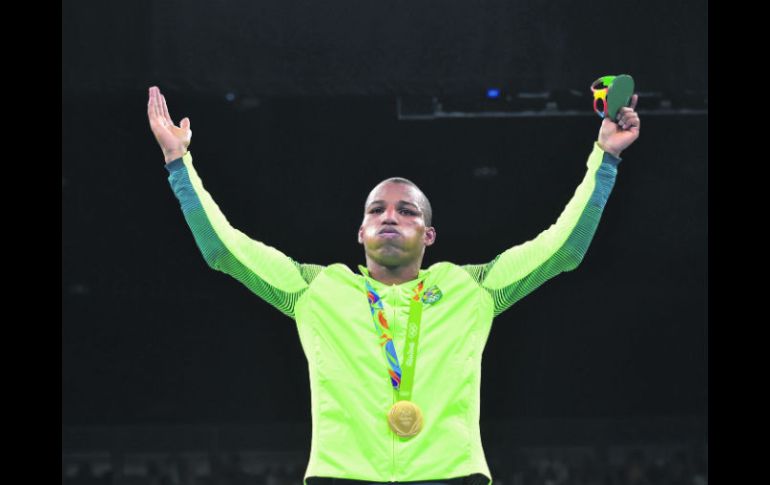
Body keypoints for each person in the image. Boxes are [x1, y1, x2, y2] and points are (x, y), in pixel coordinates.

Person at [147, 86, 640, 485]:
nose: (390, 217)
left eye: (407, 211)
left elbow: (564, 248)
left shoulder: (474, 288)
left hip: (451, 475)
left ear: (428, 235)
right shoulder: (315, 290)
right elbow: (223, 250)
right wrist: (178, 164)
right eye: (376, 210)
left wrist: (606, 157)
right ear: (359, 232)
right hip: (342, 476)